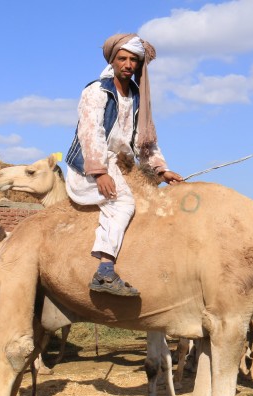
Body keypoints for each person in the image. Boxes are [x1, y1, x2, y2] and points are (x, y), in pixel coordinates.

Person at [64, 33, 183, 297]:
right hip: (91, 165)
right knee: (123, 203)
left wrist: (161, 170)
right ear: (112, 60)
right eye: (122, 58)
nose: (128, 64)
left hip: (121, 165)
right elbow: (90, 133)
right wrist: (99, 173)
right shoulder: (97, 91)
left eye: (133, 60)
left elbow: (144, 141)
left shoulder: (137, 97)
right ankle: (105, 270)